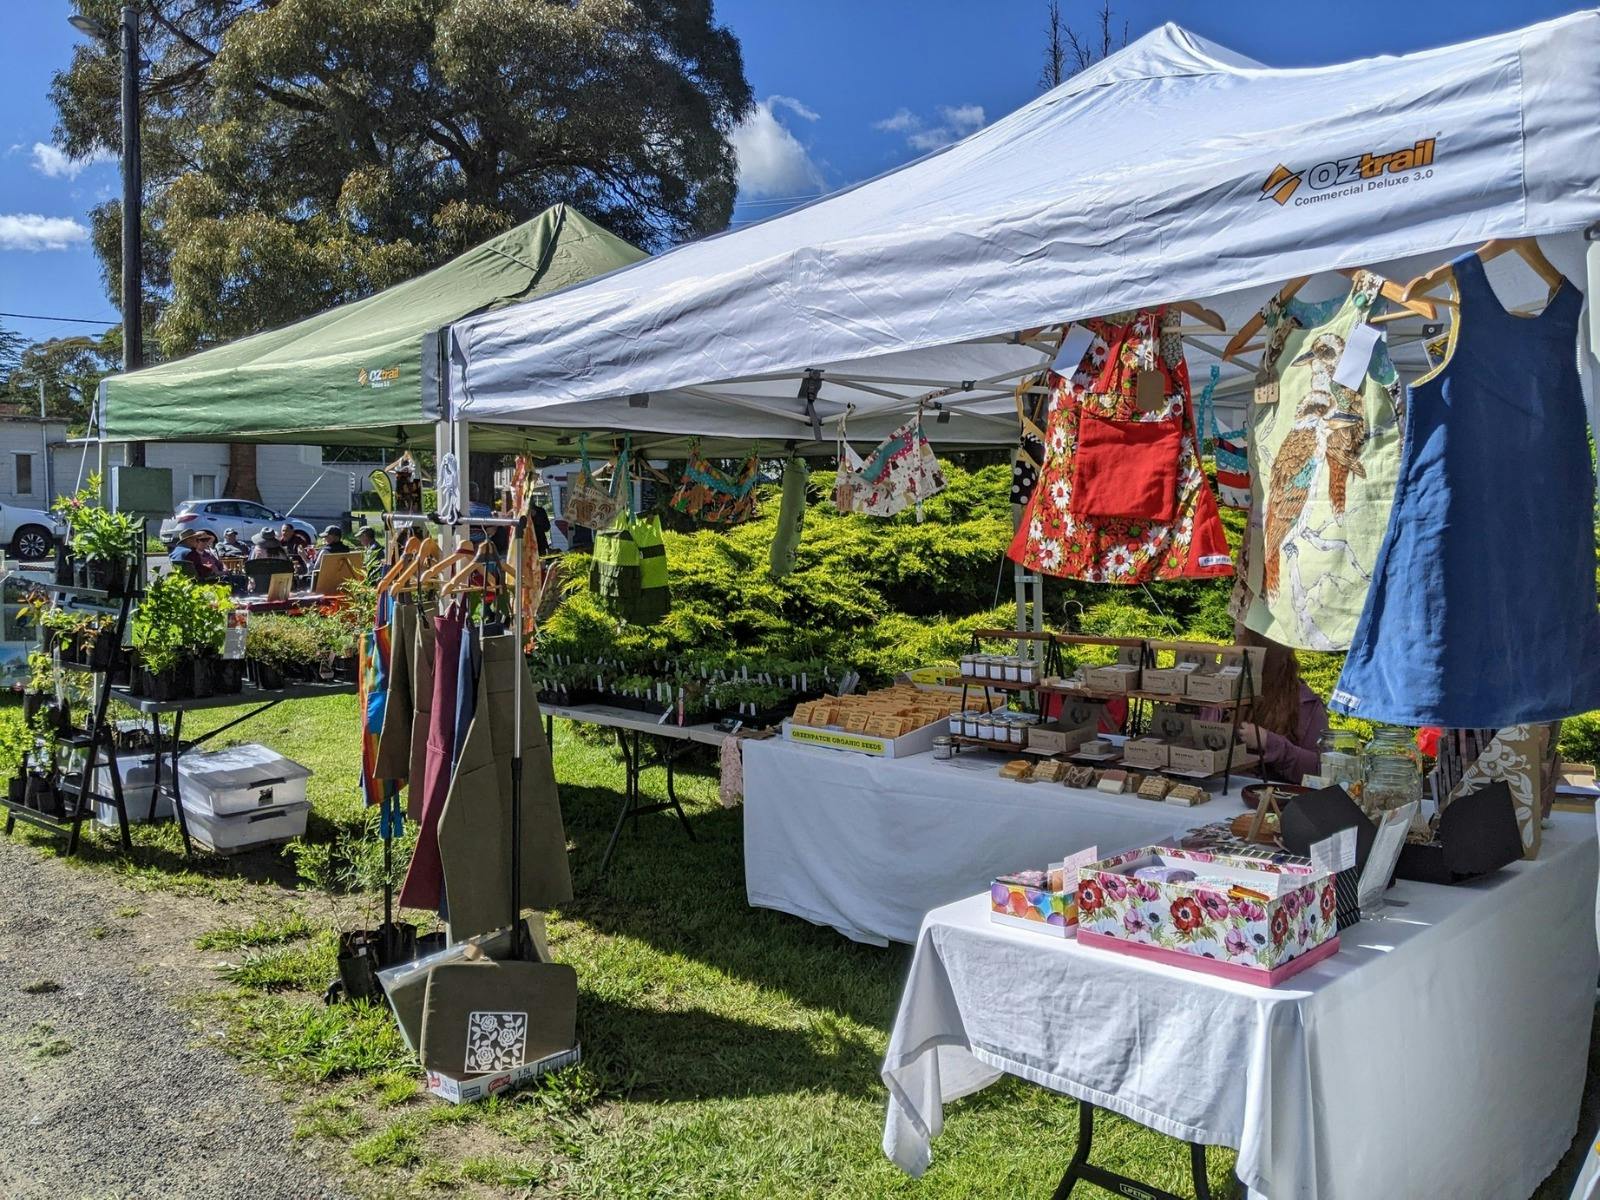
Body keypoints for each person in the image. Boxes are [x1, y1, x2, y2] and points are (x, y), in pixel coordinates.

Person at [1215, 625, 1328, 783]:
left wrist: (1270, 743)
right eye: (1235, 638)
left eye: (1241, 639)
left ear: (1265, 652)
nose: (1234, 648)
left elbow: (1321, 771)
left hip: (1276, 802)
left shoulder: (1305, 704)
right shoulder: (1225, 693)